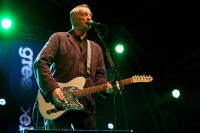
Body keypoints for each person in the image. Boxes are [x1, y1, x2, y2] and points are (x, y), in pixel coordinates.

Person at [33, 4, 113, 130]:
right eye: (84, 14)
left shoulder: (96, 48)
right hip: (58, 104)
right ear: (74, 19)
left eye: (90, 15)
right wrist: (53, 89)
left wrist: (106, 88)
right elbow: (40, 62)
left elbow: (100, 77)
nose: (89, 18)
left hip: (86, 107)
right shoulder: (59, 38)